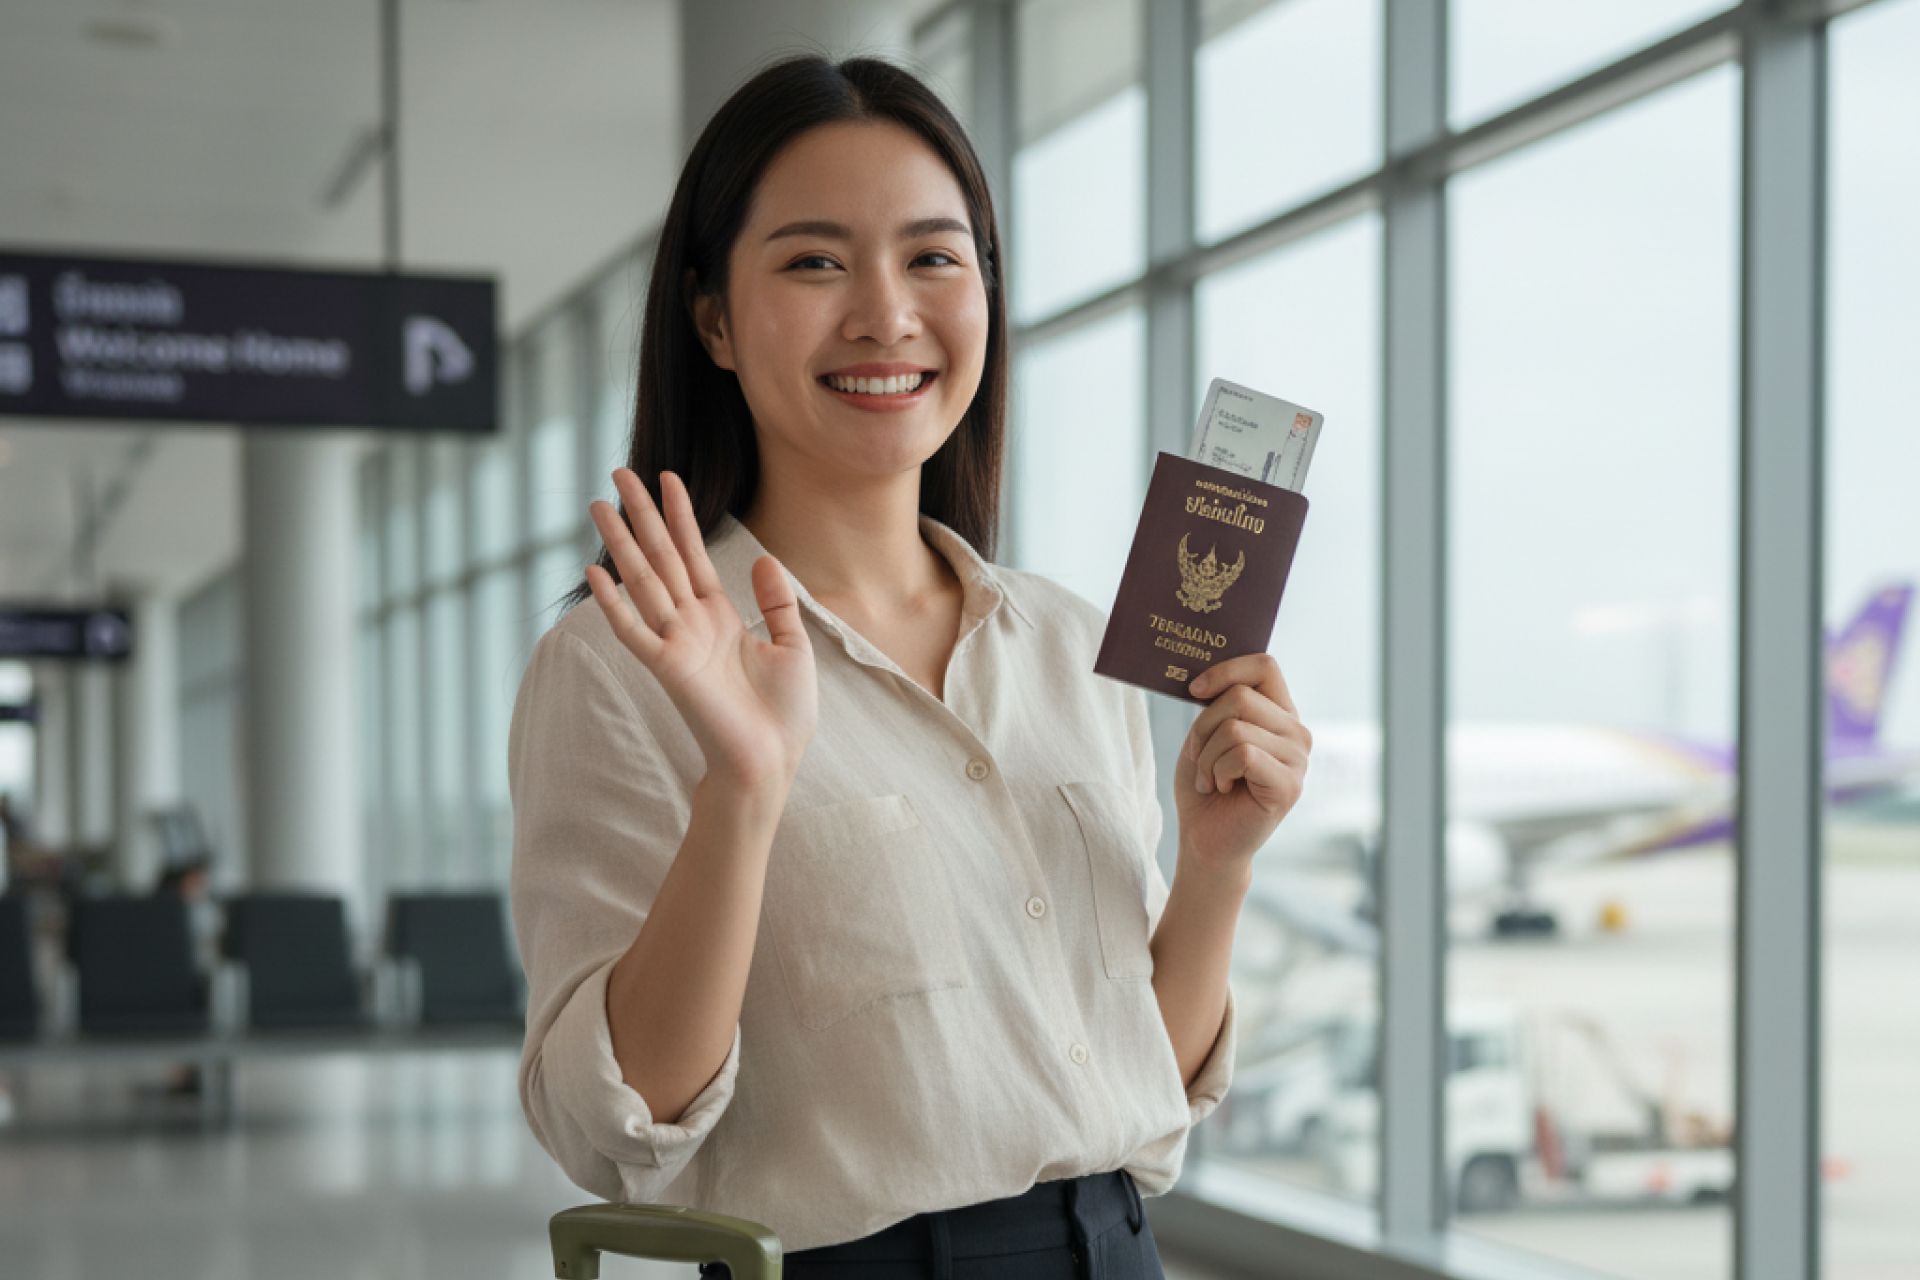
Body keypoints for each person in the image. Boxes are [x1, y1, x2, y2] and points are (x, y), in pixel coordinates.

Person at [507, 52, 1313, 1279]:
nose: (886, 313)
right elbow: (611, 1122)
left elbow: (1137, 1074)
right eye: (815, 261)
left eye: (935, 257)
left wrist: (1215, 866)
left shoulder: (1062, 645)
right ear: (712, 316)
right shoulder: (622, 663)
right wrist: (743, 788)